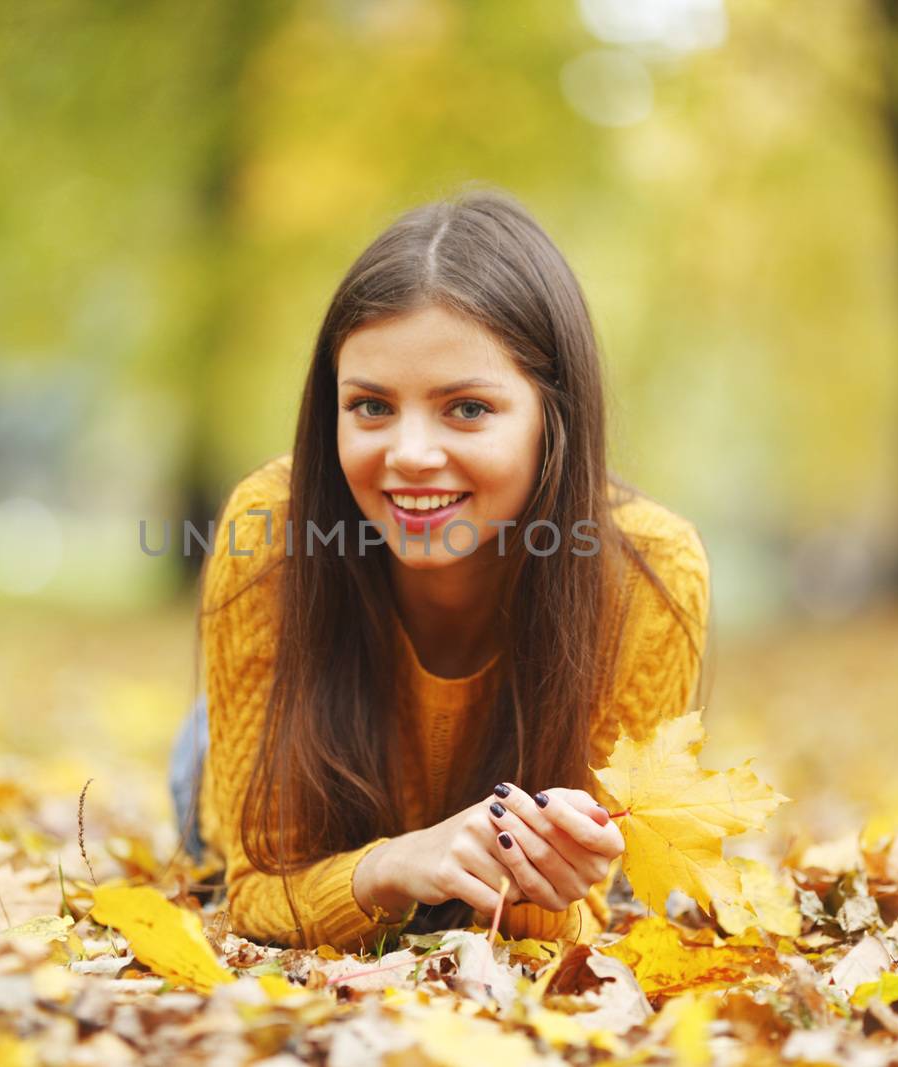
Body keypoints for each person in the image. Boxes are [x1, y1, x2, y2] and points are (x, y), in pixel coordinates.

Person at [170, 186, 711, 951]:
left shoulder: (650, 572)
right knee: (202, 755)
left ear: (552, 420)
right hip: (267, 776)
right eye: (371, 406)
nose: (411, 454)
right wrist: (395, 863)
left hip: (459, 838)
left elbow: (585, 913)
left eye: (466, 408)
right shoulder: (272, 528)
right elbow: (258, 889)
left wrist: (529, 875)